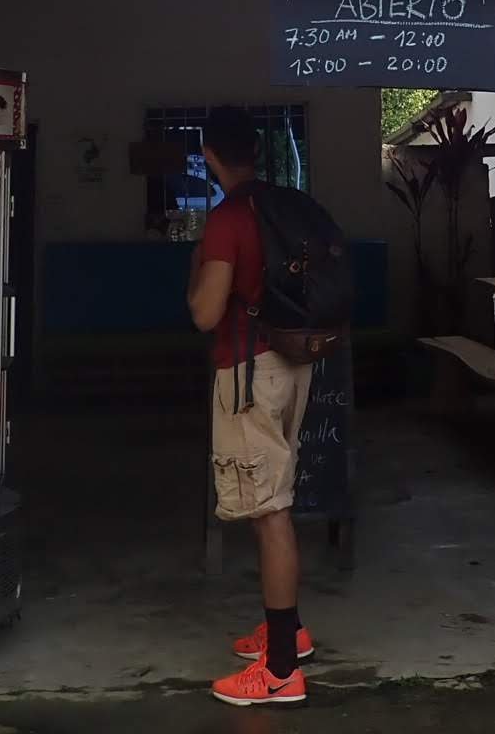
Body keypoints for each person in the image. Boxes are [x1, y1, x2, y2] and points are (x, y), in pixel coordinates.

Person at [187, 107, 316, 708]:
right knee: (278, 494)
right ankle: (288, 630)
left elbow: (207, 313)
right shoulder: (284, 204)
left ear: (211, 156)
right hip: (297, 365)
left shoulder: (228, 219)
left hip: (249, 374)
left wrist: (194, 283)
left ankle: (282, 671)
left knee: (270, 511)